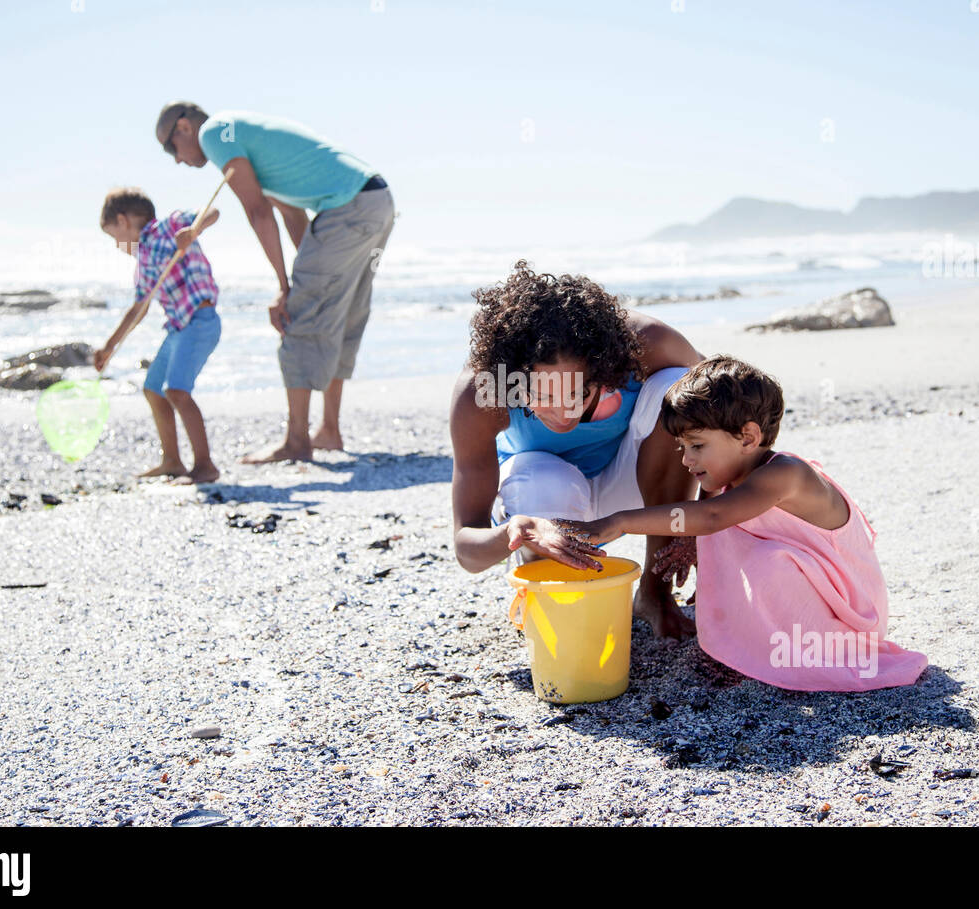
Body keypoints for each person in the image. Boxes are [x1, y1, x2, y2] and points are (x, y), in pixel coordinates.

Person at [560, 356, 929, 690]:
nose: (686, 461)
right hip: (810, 589)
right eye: (682, 448)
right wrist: (690, 540)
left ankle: (782, 653)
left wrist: (620, 521)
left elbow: (711, 517)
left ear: (748, 437)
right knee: (721, 540)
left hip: (845, 612)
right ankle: (745, 644)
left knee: (754, 554)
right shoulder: (727, 479)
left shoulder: (785, 475)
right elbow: (707, 515)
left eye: (697, 446)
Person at [449, 260, 703, 640]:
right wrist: (514, 532)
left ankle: (655, 594)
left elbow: (727, 416)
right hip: (542, 505)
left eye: (577, 393)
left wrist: (700, 523)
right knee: (543, 480)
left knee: (683, 388)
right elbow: (467, 549)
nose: (564, 412)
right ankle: (552, 599)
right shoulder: (482, 393)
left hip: (631, 485)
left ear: (603, 370)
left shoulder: (647, 344)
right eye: (542, 396)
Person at [155, 101, 395, 461]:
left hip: (348, 209)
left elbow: (258, 212)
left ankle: (297, 442)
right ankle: (329, 431)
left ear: (185, 127)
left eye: (170, 146)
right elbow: (291, 212)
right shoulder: (245, 137)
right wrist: (299, 282)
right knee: (340, 313)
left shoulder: (216, 132)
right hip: (375, 200)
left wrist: (292, 290)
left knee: (301, 316)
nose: (175, 159)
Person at [93, 187, 222, 485]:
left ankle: (205, 465)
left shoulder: (169, 226)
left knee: (176, 390)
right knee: (153, 389)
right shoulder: (144, 262)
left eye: (114, 236)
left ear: (123, 221)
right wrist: (109, 347)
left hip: (200, 320)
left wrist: (193, 230)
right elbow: (139, 308)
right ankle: (172, 461)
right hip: (178, 328)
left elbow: (212, 212)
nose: (116, 245)